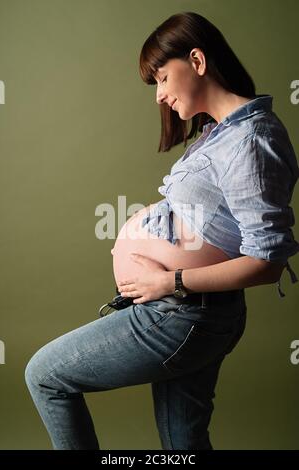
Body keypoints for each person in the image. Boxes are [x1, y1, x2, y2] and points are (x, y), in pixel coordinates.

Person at [25, 11, 299, 450]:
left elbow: (268, 263)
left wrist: (168, 280)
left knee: (45, 375)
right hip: (190, 312)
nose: (159, 95)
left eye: (162, 78)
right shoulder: (219, 133)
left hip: (184, 312)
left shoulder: (249, 141)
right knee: (183, 442)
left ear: (197, 60)